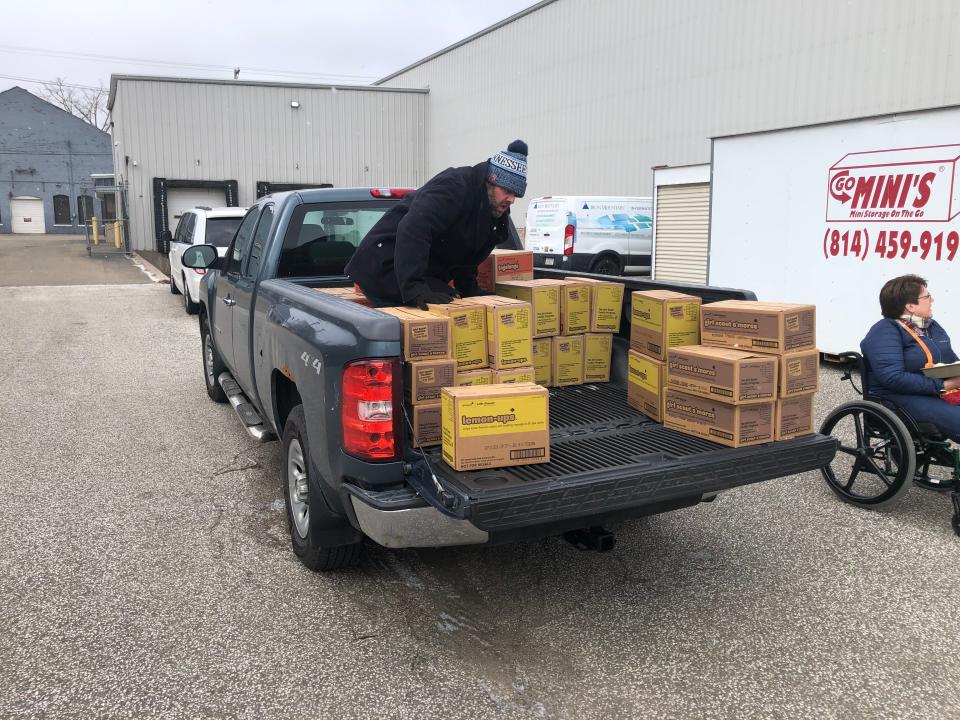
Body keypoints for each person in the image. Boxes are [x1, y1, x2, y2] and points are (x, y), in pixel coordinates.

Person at [346, 140, 528, 309]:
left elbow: (468, 252)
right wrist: (414, 288)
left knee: (451, 298)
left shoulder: (492, 209)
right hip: (384, 266)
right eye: (507, 191)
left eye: (516, 195)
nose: (511, 200)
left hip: (420, 275)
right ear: (491, 180)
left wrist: (469, 289)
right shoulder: (454, 187)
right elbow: (413, 229)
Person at [861, 274, 960, 441]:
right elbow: (893, 378)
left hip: (934, 391)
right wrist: (945, 384)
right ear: (910, 306)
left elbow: (950, 361)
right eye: (927, 296)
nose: (932, 300)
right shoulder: (885, 330)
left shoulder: (932, 327)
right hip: (896, 398)